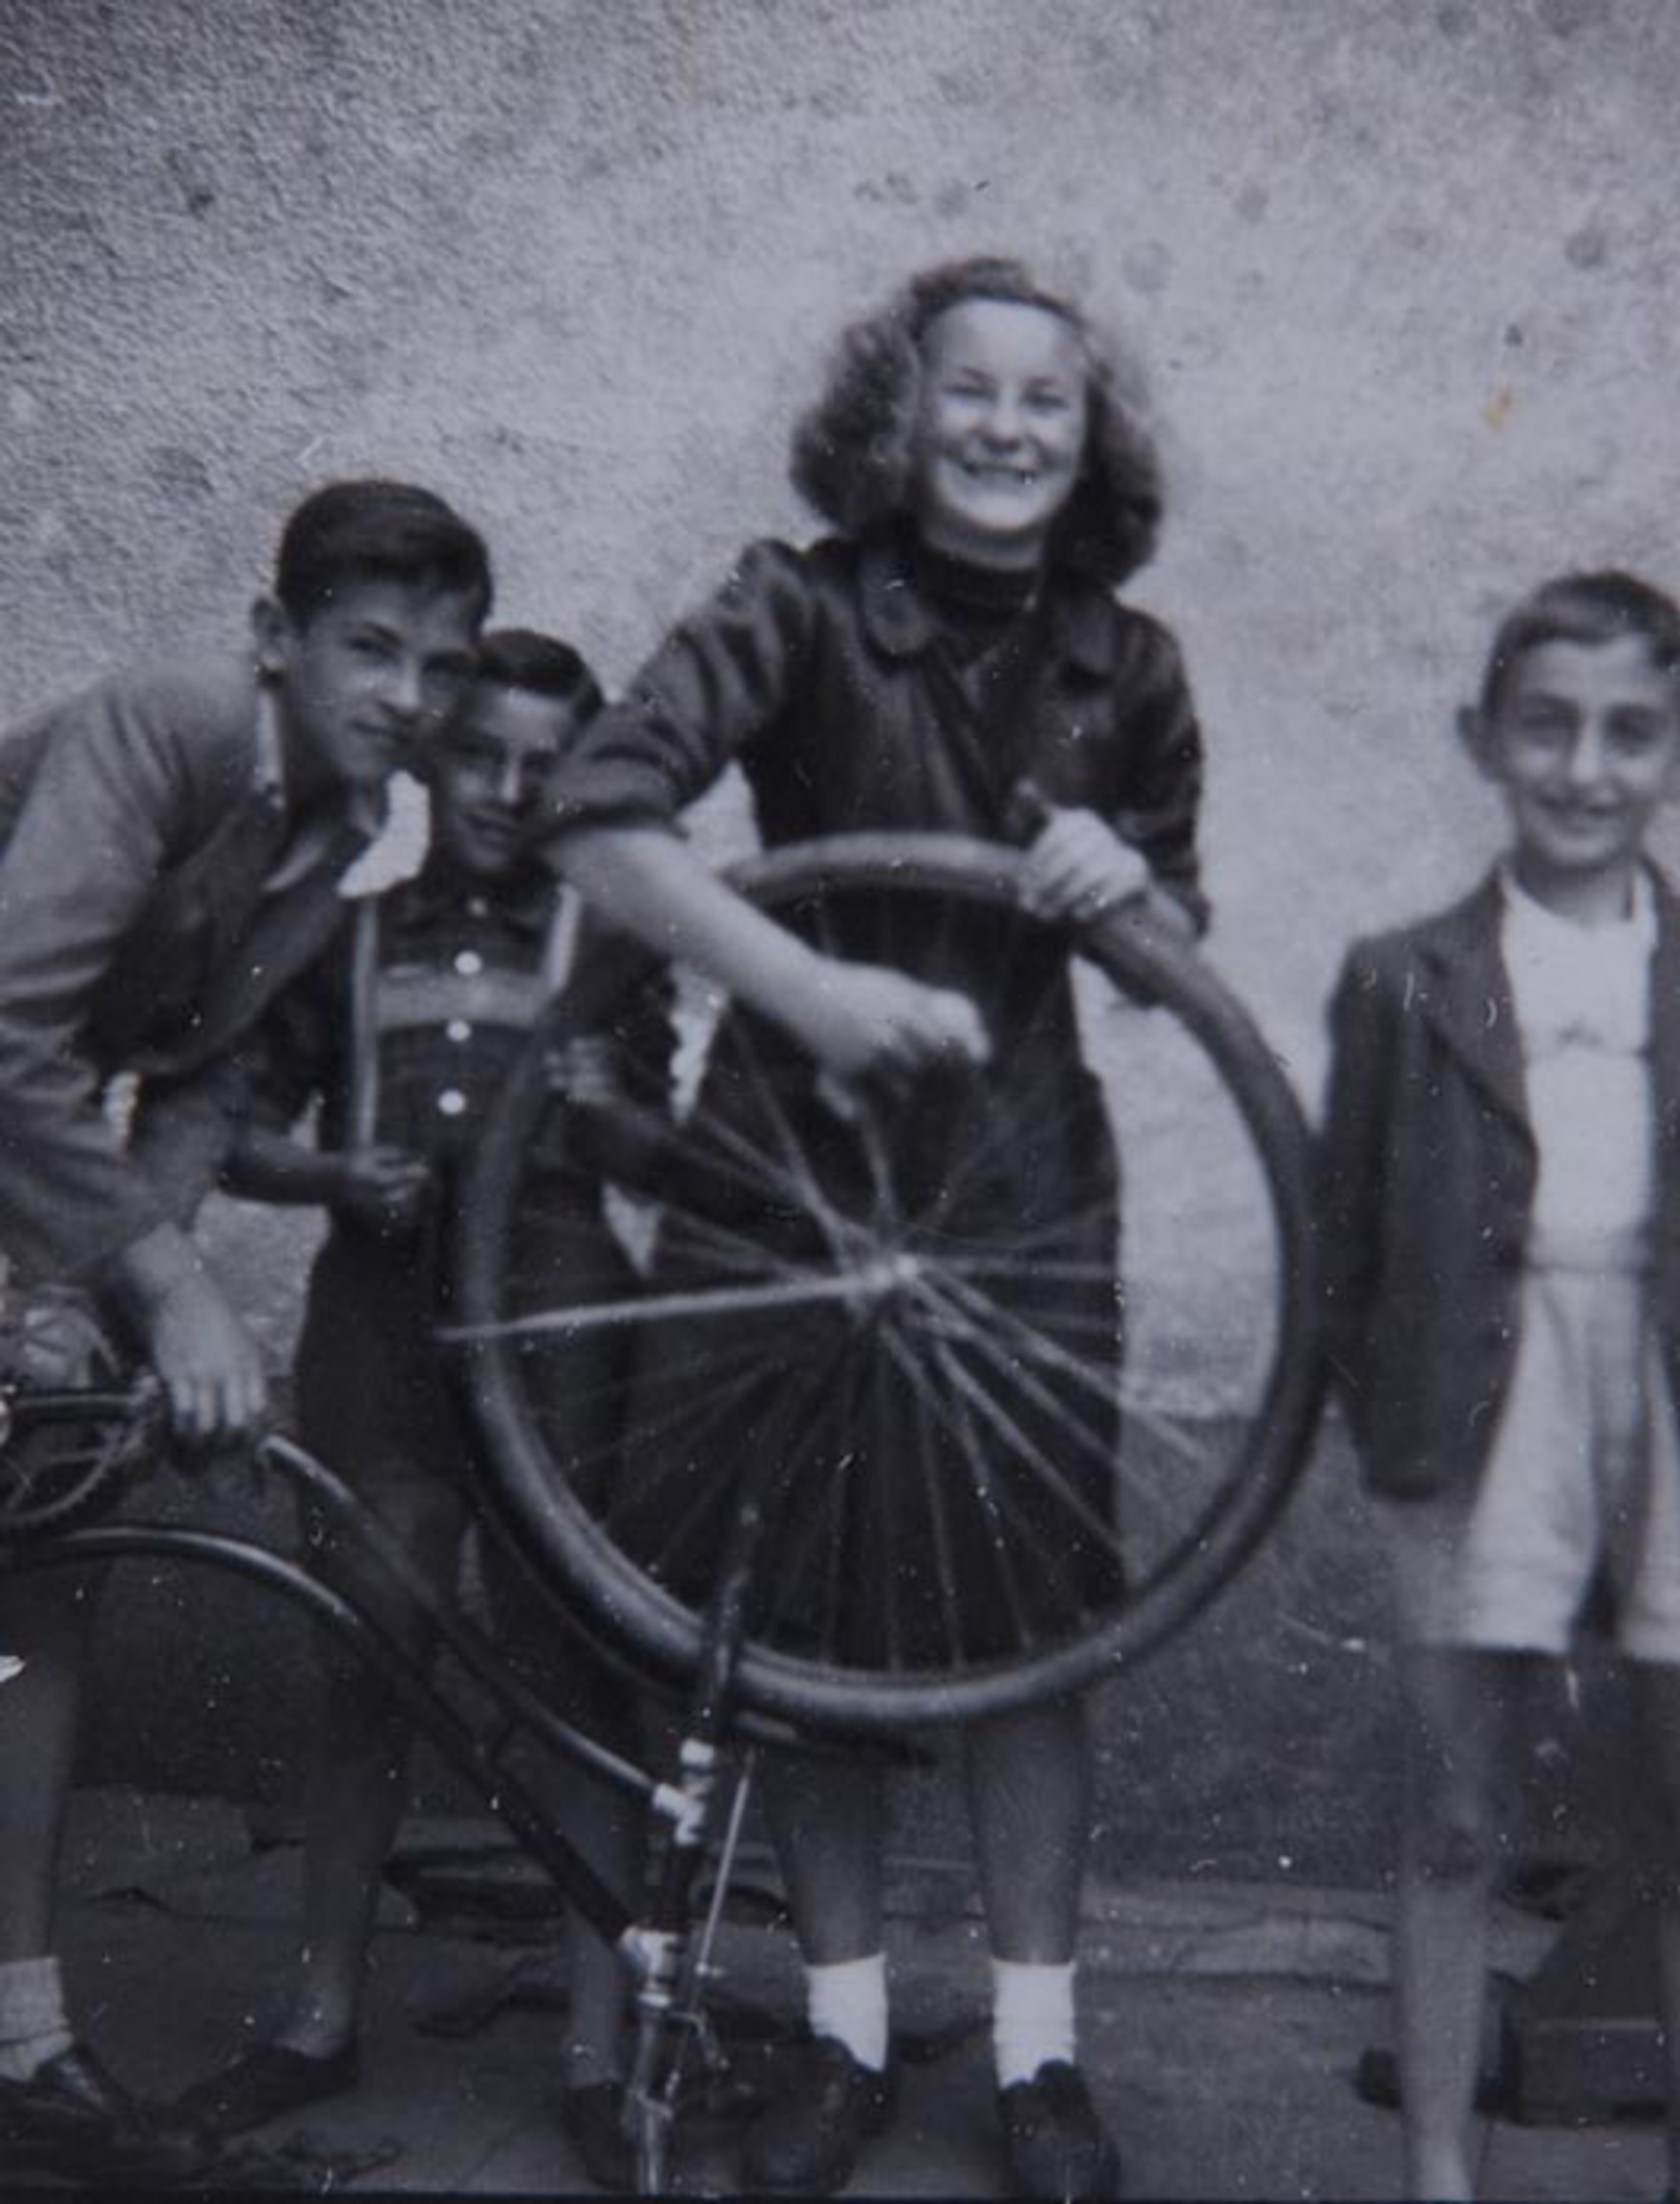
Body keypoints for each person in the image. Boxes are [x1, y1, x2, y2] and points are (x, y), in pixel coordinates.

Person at [534, 254, 1205, 2202]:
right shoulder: (795, 604)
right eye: (966, 391)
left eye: (1046, 400)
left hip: (1018, 1180)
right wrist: (806, 990)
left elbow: (1174, 957)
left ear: (1090, 439)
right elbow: (599, 812)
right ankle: (838, 2037)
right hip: (795, 1157)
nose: (1005, 427)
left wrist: (1122, 882)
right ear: (894, 423)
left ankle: (1039, 2059)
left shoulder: (1134, 666)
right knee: (800, 1607)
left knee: (1029, 1623)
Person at [1318, 572, 1680, 2204]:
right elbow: (1348, 1244)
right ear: (1483, 739)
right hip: (1483, 1397)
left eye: (1630, 734)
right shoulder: (1402, 976)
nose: (1584, 769)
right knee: (1456, 1812)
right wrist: (1408, 1423)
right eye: (1545, 727)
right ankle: (1436, 2171)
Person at [0, 481, 492, 2188]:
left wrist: (90, 1309)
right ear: (277, 639)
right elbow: (8, 1025)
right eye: (371, 648)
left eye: (444, 665)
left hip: (28, 1174)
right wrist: (166, 1286)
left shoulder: (343, 828)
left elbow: (200, 1077)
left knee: (40, 1555)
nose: (409, 698)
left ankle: (22, 2045)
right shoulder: (174, 729)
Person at [170, 631, 661, 2190]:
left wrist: (610, 1118)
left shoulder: (609, 940)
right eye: (481, 756)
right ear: (436, 757)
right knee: (366, 1652)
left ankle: (599, 2056)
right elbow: (235, 1132)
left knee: (578, 1670)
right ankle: (320, 2018)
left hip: (559, 1327)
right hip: (379, 1332)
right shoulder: (348, 932)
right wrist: (331, 1171)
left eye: (543, 770)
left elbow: (665, 1149)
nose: (508, 791)